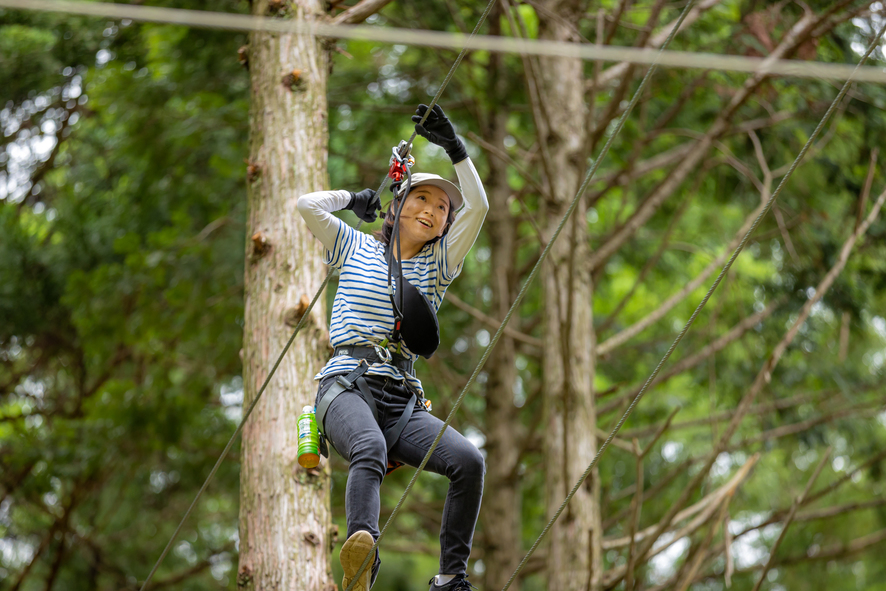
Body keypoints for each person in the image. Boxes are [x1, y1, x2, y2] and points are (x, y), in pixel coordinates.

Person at [297, 104, 489, 591]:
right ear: (399, 205)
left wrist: (454, 148)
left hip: (401, 400)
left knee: (469, 461)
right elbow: (307, 206)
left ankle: (452, 577)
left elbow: (480, 207)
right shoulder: (354, 246)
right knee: (369, 447)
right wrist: (355, 198)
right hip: (345, 386)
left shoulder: (438, 267)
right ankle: (361, 554)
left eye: (442, 207)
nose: (432, 210)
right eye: (421, 198)